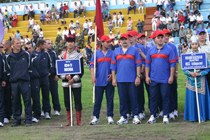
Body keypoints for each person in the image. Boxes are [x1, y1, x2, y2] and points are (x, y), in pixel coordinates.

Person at [111, 33, 142, 125]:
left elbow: (138, 64)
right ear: (119, 41)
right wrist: (113, 79)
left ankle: (135, 116)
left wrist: (138, 76)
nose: (124, 41)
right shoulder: (116, 51)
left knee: (134, 98)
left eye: (126, 39)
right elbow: (113, 66)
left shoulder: (135, 50)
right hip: (120, 79)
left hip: (132, 79)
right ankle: (123, 116)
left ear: (129, 40)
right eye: (122, 39)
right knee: (122, 99)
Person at [146, 30, 176, 124]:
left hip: (165, 79)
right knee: (153, 98)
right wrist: (147, 76)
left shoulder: (169, 50)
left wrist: (171, 76)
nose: (160, 39)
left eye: (161, 37)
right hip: (153, 78)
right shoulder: (150, 50)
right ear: (154, 40)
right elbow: (147, 65)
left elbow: (172, 64)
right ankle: (152, 115)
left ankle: (166, 116)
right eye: (158, 38)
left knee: (165, 97)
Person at [6, 37, 32, 127]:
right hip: (14, 83)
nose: (19, 45)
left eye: (20, 43)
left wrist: (26, 76)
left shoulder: (26, 55)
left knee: (27, 100)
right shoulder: (9, 57)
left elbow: (30, 68)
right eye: (17, 43)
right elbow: (8, 70)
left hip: (25, 81)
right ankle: (17, 119)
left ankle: (28, 119)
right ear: (12, 45)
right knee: (15, 101)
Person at [89, 35, 114, 125]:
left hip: (109, 81)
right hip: (99, 81)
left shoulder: (112, 53)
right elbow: (92, 66)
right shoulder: (96, 54)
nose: (109, 43)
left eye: (109, 42)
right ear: (102, 43)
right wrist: (93, 77)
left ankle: (110, 116)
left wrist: (112, 75)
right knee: (98, 100)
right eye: (107, 42)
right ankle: (96, 117)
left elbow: (114, 66)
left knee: (110, 99)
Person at [60, 34, 84, 126]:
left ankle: (78, 120)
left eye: (72, 42)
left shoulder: (79, 56)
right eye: (68, 42)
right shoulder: (62, 56)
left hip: (76, 83)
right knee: (67, 101)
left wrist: (73, 79)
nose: (70, 44)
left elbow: (81, 71)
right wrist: (65, 77)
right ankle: (70, 120)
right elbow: (59, 72)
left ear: (74, 43)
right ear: (66, 43)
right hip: (66, 83)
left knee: (78, 100)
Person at [183, 39, 210, 122]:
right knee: (191, 97)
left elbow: (208, 68)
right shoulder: (187, 55)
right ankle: (192, 116)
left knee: (201, 97)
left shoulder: (203, 55)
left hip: (201, 79)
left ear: (198, 45)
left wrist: (199, 74)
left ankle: (202, 116)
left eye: (196, 44)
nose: (194, 46)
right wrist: (190, 73)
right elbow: (184, 68)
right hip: (191, 79)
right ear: (190, 45)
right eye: (193, 44)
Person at [162, 29, 179, 119]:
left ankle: (173, 109)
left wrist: (176, 72)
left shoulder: (172, 47)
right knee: (163, 93)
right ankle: (164, 110)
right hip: (163, 73)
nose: (166, 37)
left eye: (168, 36)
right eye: (165, 35)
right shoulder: (158, 47)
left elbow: (176, 60)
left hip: (171, 72)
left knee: (172, 91)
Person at [33, 40, 52, 119]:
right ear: (40, 45)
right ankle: (37, 112)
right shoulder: (33, 53)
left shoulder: (46, 53)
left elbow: (50, 64)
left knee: (46, 95)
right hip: (36, 78)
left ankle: (47, 112)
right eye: (44, 45)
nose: (45, 46)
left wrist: (48, 72)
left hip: (44, 78)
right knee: (36, 96)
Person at [25, 42, 41, 123]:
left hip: (34, 79)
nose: (28, 50)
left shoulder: (36, 57)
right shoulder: (24, 57)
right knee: (27, 99)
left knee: (35, 97)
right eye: (26, 48)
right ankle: (28, 115)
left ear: (32, 48)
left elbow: (31, 64)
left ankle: (37, 115)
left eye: (29, 48)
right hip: (26, 80)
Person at [45, 39, 61, 116]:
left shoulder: (54, 53)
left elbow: (58, 64)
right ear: (44, 44)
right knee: (45, 94)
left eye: (51, 43)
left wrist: (57, 75)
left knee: (54, 93)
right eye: (48, 43)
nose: (50, 45)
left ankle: (57, 109)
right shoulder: (43, 53)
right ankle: (45, 110)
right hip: (44, 77)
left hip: (53, 76)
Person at [2, 40, 12, 124]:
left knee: (16, 97)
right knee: (6, 97)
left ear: (8, 45)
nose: (2, 47)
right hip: (6, 80)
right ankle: (7, 115)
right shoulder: (3, 56)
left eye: (3, 45)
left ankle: (14, 113)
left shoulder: (12, 55)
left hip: (14, 79)